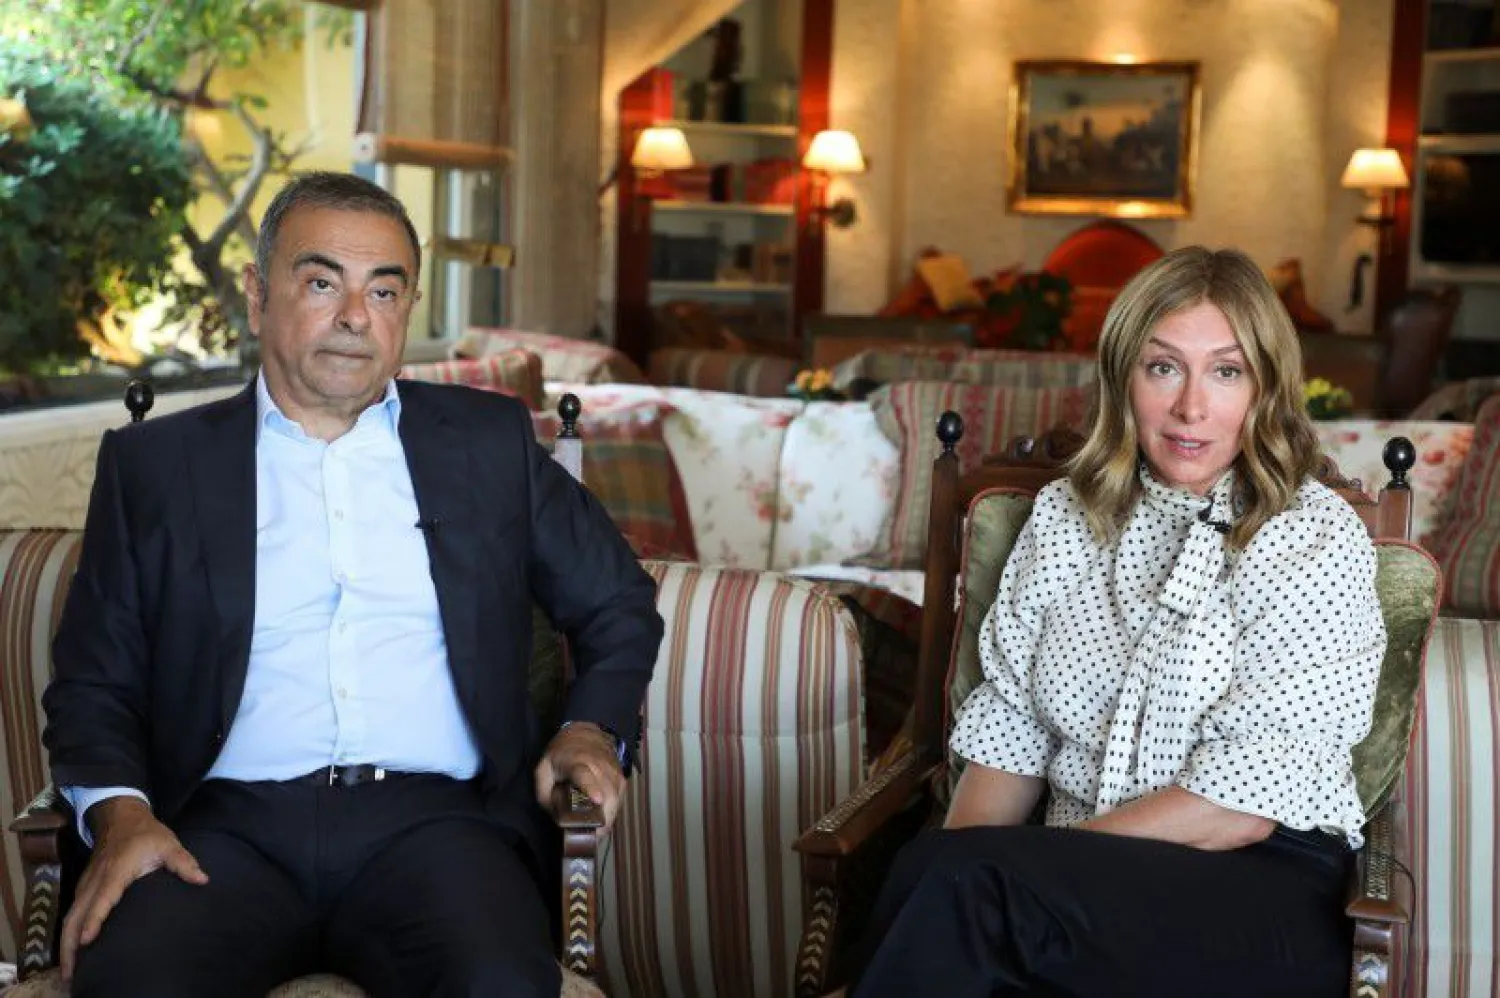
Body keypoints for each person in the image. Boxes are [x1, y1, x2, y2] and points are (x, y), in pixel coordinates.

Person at [42, 171, 664, 997]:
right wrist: (122, 814)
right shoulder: (157, 466)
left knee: (502, 985)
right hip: (218, 830)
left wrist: (591, 727)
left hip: (439, 826)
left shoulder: (485, 445)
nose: (353, 318)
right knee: (128, 982)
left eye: (384, 290)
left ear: (405, 310)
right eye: (321, 282)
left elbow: (618, 601)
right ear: (260, 296)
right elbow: (93, 681)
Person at [850, 246, 1387, 998]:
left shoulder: (1310, 537)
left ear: (1264, 387)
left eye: (1227, 372)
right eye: (1163, 367)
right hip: (1076, 881)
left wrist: (1023, 869)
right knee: (929, 867)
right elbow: (1012, 735)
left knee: (972, 887)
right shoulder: (1066, 519)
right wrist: (962, 866)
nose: (1191, 407)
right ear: (1123, 378)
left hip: (1255, 884)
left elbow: (1239, 809)